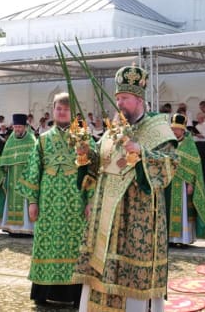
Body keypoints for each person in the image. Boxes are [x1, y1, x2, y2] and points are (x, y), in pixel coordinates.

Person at [73, 66, 179, 312]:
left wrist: (140, 150)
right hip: (105, 218)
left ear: (139, 99)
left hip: (137, 218)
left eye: (124, 99)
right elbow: (98, 166)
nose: (119, 103)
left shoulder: (158, 128)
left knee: (132, 276)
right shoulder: (113, 130)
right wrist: (85, 154)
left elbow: (169, 165)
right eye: (118, 98)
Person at [17, 93, 88, 307]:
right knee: (46, 245)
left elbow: (93, 171)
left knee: (75, 246)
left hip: (75, 203)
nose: (62, 112)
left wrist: (91, 201)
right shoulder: (43, 139)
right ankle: (42, 293)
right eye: (58, 108)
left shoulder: (83, 138)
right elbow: (33, 171)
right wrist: (32, 201)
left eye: (66, 109)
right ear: (53, 110)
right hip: (47, 203)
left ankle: (75, 295)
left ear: (72, 113)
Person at [166, 113, 205, 246]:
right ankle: (171, 239)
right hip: (169, 183)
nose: (174, 131)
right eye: (173, 128)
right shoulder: (169, 143)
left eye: (177, 129)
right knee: (170, 210)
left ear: (183, 129)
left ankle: (183, 239)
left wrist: (191, 183)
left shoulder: (189, 144)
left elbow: (195, 166)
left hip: (183, 184)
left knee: (183, 212)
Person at [0, 114, 36, 236]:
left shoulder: (31, 140)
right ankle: (12, 228)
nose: (17, 129)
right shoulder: (10, 141)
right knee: (12, 201)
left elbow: (35, 161)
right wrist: (4, 171)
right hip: (12, 179)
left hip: (25, 178)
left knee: (25, 202)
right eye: (15, 127)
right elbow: (4, 160)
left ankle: (26, 228)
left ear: (25, 127)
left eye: (20, 127)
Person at [193, 112, 205, 177]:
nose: (197, 119)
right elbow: (194, 137)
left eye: (198, 118)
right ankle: (197, 176)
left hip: (202, 145)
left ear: (202, 118)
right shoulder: (197, 126)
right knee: (196, 160)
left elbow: (203, 136)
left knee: (202, 161)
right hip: (195, 144)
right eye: (197, 118)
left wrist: (194, 134)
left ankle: (202, 177)